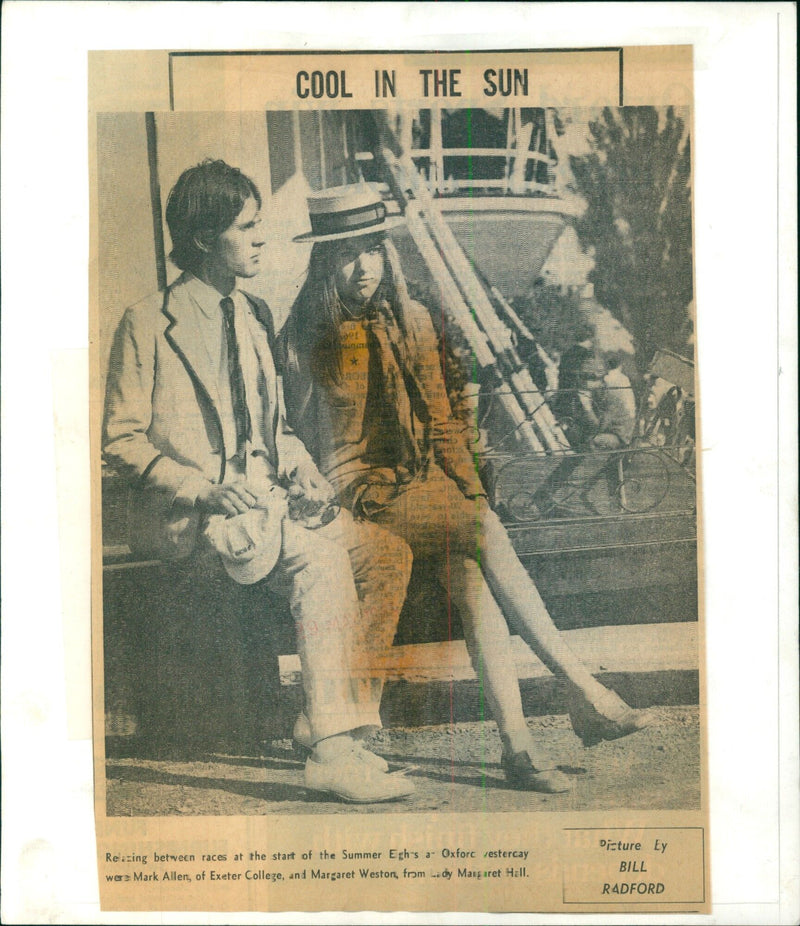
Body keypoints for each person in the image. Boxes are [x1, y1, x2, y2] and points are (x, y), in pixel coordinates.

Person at [282, 184, 655, 794]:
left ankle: (520, 749)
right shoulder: (308, 333)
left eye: (373, 249)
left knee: (473, 564)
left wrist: (469, 493)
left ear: (387, 251)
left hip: (421, 486)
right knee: (478, 531)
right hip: (357, 493)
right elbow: (297, 436)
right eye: (347, 253)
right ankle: (581, 686)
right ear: (325, 260)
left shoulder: (416, 320)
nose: (363, 268)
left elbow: (446, 423)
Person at [103, 161, 414, 804]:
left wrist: (300, 471)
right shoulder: (146, 323)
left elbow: (272, 432)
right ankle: (330, 750)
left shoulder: (254, 315)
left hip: (265, 511)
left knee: (380, 552)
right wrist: (202, 489)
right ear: (200, 239)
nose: (259, 239)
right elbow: (120, 438)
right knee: (322, 560)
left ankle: (330, 724)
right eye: (246, 227)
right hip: (197, 525)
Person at [591, 356, 637, 450]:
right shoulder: (622, 379)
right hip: (622, 431)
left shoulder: (610, 389)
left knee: (592, 440)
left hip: (621, 436)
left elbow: (605, 420)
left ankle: (597, 464)